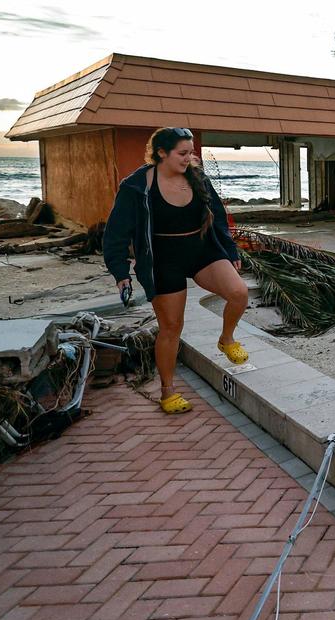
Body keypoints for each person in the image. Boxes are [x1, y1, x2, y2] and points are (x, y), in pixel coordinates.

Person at [103, 127, 249, 414]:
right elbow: (116, 234)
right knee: (171, 328)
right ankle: (167, 392)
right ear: (161, 153)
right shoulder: (136, 186)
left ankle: (226, 339)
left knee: (239, 293)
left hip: (202, 250)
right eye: (182, 153)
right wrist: (121, 272)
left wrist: (230, 251)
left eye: (190, 152)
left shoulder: (197, 178)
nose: (189, 158)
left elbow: (218, 217)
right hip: (162, 259)